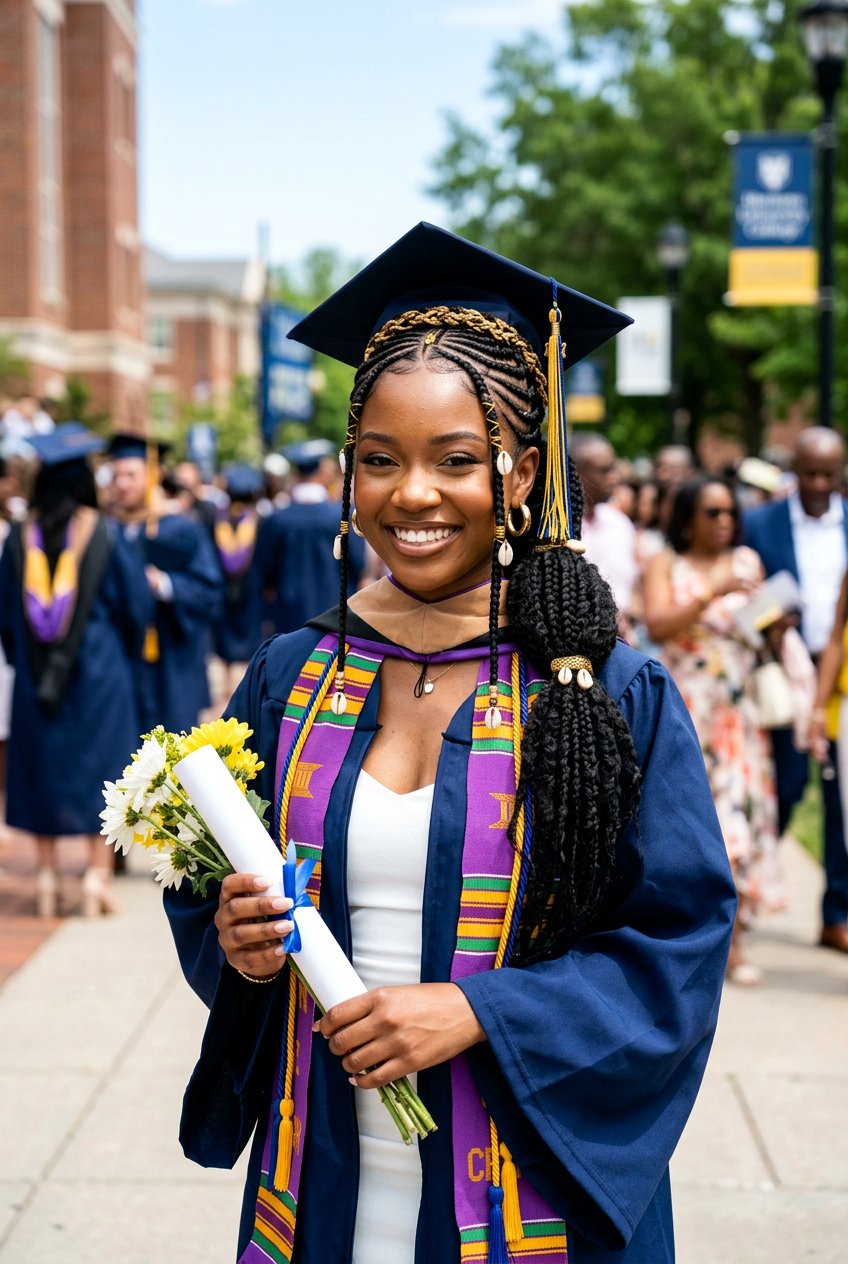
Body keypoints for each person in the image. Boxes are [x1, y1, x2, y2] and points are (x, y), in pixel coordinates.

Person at [164, 223, 735, 1264]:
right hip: (323, 1180)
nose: (411, 494)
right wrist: (237, 944)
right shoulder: (296, 672)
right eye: (379, 460)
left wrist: (481, 1009)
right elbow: (209, 903)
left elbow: (675, 949)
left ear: (520, 472)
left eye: (455, 459)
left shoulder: (600, 690)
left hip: (529, 1189)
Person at [0, 423, 152, 915]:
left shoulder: (20, 535)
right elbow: (137, 607)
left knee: (42, 770)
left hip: (35, 675)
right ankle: (95, 876)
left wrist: (26, 658)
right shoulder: (105, 533)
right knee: (102, 772)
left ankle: (45, 878)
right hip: (100, 675)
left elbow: (4, 613)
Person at [643, 476, 780, 984]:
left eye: (729, 513)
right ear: (687, 518)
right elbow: (656, 625)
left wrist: (774, 624)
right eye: (712, 513)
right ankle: (683, 937)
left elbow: (760, 630)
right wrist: (712, 593)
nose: (724, 522)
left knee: (737, 818)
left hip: (736, 714)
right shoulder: (666, 564)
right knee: (685, 821)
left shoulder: (749, 563)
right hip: (684, 709)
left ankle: (735, 942)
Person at [743, 427, 848, 953]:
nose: (818, 483)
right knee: (785, 785)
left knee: (840, 798)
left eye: (828, 473)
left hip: (841, 673)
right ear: (794, 471)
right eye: (809, 472)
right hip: (783, 669)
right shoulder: (759, 523)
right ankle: (749, 885)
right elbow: (744, 593)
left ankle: (837, 913)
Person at [107, 433, 223, 734]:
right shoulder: (107, 530)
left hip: (173, 662)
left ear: (153, 475)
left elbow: (209, 590)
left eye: (131, 475)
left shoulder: (181, 529)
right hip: (122, 665)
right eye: (116, 475)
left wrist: (164, 584)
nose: (121, 483)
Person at [258, 438, 366, 634]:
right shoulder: (341, 516)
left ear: (297, 473)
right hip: (336, 610)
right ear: (323, 473)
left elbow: (265, 570)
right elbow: (358, 563)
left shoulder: (277, 519)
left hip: (288, 613)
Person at [570, 433, 638, 634]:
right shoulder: (552, 528)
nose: (615, 477)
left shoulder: (619, 523)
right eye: (605, 470)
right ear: (577, 472)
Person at [212, 464, 268, 694]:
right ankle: (246, 683)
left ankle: (226, 680)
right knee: (249, 631)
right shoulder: (260, 520)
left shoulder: (217, 519)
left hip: (224, 587)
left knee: (225, 632)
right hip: (251, 587)